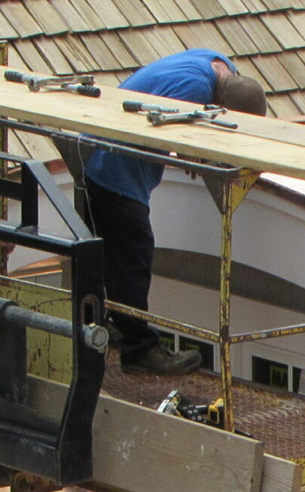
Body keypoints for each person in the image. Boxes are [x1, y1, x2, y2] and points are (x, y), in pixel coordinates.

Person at [78, 49, 267, 375]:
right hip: (112, 165)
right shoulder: (193, 90)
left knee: (113, 257)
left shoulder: (218, 63)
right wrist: (193, 152)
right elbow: (166, 129)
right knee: (133, 258)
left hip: (112, 154)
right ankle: (139, 350)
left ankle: (112, 326)